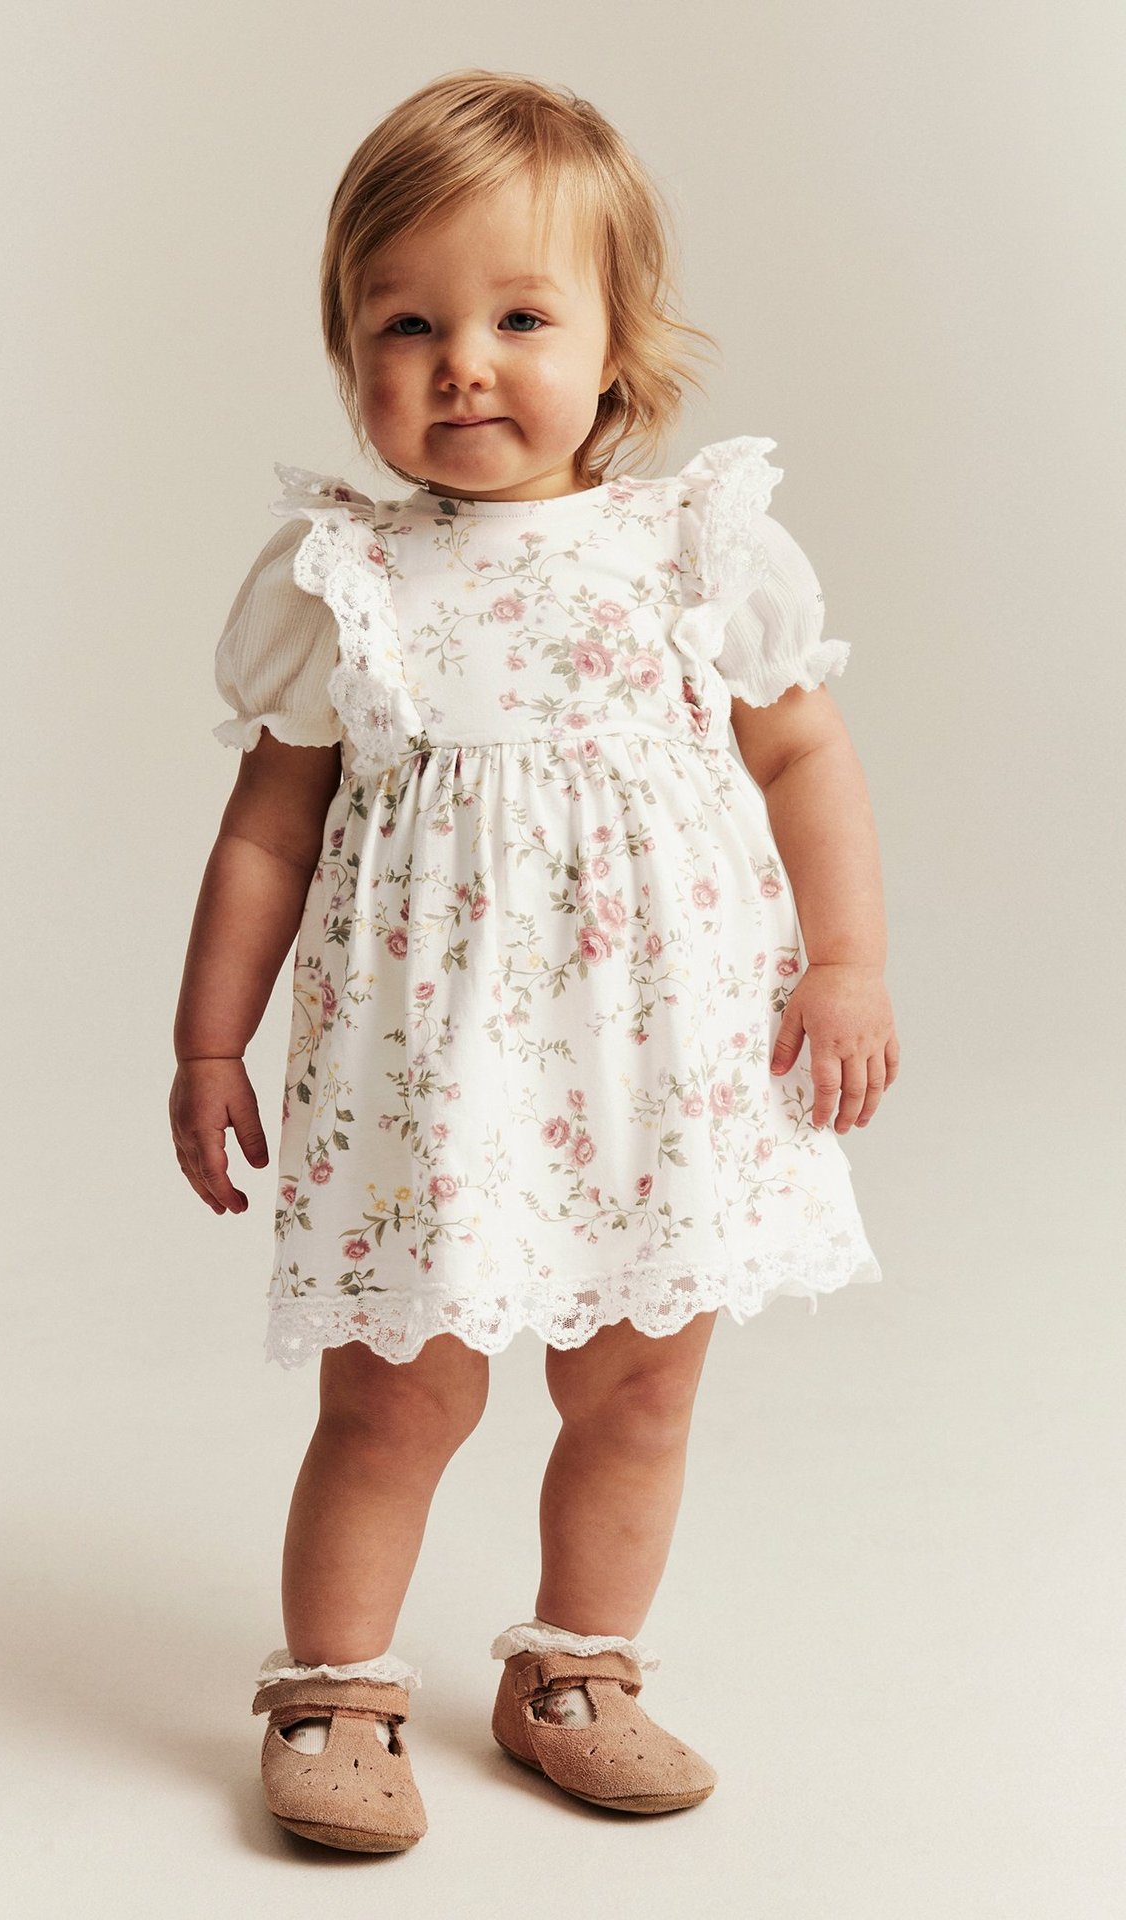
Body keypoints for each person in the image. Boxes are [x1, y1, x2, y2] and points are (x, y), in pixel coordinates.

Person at [169, 68, 897, 1854]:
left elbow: (802, 753)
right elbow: (269, 826)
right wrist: (207, 1043)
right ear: (350, 352)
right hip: (439, 1075)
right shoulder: (349, 576)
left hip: (663, 1059)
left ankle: (580, 1668)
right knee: (395, 1391)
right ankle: (333, 1683)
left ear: (619, 343)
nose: (461, 363)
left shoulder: (690, 549)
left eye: (516, 316)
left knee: (643, 1382)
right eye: (403, 323)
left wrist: (850, 962)